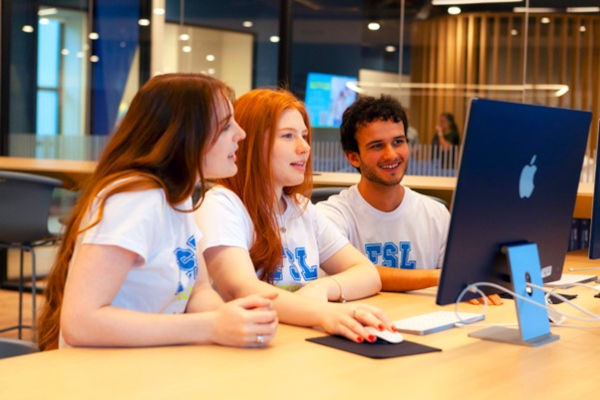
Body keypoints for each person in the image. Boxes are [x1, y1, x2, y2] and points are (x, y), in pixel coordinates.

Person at [37, 74, 278, 351]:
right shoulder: (136, 200)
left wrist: (233, 320)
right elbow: (81, 323)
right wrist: (211, 325)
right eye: (225, 127)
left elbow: (197, 291)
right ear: (185, 136)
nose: (241, 134)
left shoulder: (180, 195)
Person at [195, 88, 394, 344]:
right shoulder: (222, 205)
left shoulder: (301, 207)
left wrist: (320, 288)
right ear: (251, 143)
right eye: (288, 136)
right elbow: (241, 289)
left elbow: (367, 273)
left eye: (304, 136)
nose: (304, 148)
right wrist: (323, 313)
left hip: (293, 343)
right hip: (248, 351)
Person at [316, 95, 502, 305]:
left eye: (398, 142)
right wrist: (437, 276)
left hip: (429, 326)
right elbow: (352, 273)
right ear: (353, 157)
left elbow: (459, 278)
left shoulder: (435, 214)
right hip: (362, 325)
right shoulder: (331, 215)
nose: (392, 154)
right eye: (377, 146)